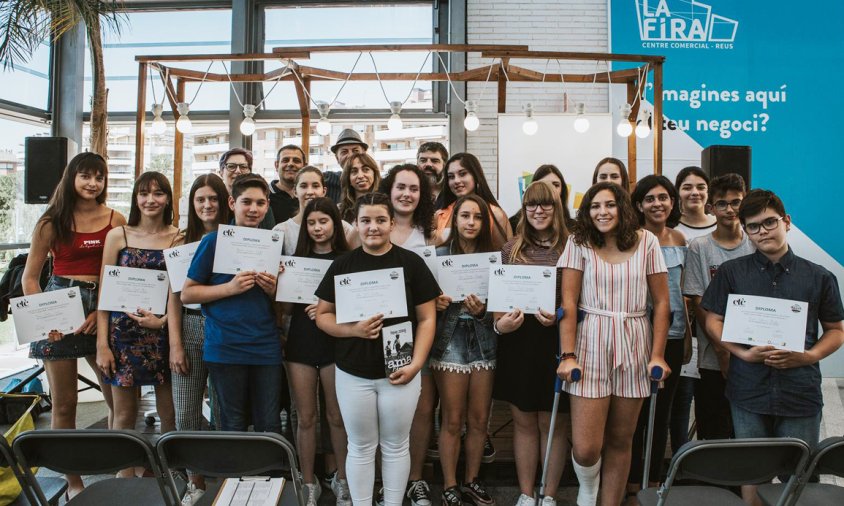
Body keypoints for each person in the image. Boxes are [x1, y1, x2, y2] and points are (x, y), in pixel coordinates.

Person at [702, 189, 844, 506]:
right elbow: (713, 320)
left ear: (786, 222)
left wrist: (809, 356)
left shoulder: (820, 277)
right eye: (753, 226)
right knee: (751, 471)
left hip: (799, 391)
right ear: (746, 231)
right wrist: (741, 352)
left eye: (769, 222)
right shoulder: (731, 273)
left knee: (799, 473)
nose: (762, 231)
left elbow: (836, 330)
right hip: (747, 389)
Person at [315, 192, 439, 506]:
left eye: (381, 220)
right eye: (366, 220)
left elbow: (426, 319)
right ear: (356, 224)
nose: (373, 227)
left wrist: (416, 364)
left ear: (392, 223)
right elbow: (322, 315)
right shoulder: (343, 264)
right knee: (360, 446)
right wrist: (352, 329)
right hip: (352, 372)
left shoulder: (411, 263)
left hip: (401, 371)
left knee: (396, 445)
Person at [556, 182, 670, 506]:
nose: (602, 212)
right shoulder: (578, 242)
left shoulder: (646, 241)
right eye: (594, 206)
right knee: (586, 447)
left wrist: (658, 354)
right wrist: (567, 355)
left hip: (635, 340)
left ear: (622, 207)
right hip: (590, 339)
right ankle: (588, 488)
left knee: (621, 439)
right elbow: (568, 301)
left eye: (609, 205)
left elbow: (662, 303)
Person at [21, 152, 125, 498]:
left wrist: (103, 311)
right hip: (61, 305)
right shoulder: (51, 221)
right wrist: (46, 319)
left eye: (99, 177)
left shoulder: (116, 218)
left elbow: (121, 275)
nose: (92, 183)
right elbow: (30, 279)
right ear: (71, 178)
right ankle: (73, 480)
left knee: (117, 401)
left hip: (104, 308)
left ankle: (117, 470)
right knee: (65, 404)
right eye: (85, 176)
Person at [181, 174, 283, 433]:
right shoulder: (213, 242)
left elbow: (284, 306)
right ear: (231, 203)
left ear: (267, 207)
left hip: (266, 346)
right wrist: (230, 288)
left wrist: (274, 291)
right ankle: (233, 474)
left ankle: (267, 474)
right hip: (226, 346)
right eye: (246, 202)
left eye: (260, 203)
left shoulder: (274, 245)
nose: (253, 209)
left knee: (269, 423)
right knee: (232, 423)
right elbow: (188, 294)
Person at [96, 171, 180, 478]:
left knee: (169, 414)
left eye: (158, 194)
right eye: (144, 194)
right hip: (123, 337)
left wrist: (165, 323)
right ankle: (124, 480)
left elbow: (181, 294)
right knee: (125, 415)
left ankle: (169, 476)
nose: (150, 200)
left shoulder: (179, 237)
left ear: (168, 199)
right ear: (136, 198)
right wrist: (102, 344)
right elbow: (105, 292)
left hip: (163, 336)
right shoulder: (119, 235)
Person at [494, 183, 570, 506]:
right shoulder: (509, 250)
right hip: (519, 341)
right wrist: (500, 325)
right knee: (524, 421)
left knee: (553, 422)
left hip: (557, 339)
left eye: (545, 205)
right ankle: (526, 494)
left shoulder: (573, 247)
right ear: (523, 210)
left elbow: (582, 298)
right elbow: (498, 305)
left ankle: (549, 495)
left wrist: (560, 316)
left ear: (557, 208)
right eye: (531, 206)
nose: (538, 211)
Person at [282, 197, 352, 506]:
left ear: (335, 224)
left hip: (335, 342)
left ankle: (343, 478)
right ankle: (308, 481)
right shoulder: (295, 259)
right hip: (301, 340)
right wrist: (280, 282)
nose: (317, 228)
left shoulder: (348, 259)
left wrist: (328, 307)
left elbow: (358, 306)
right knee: (306, 416)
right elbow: (283, 308)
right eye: (311, 223)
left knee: (337, 416)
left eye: (323, 221)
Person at [166, 174, 230, 505]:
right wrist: (175, 343)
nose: (207, 205)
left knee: (223, 413)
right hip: (190, 329)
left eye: (213, 199)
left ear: (224, 202)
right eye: (200, 199)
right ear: (192, 205)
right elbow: (174, 299)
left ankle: (224, 480)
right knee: (186, 413)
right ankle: (196, 480)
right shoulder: (180, 244)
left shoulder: (236, 240)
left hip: (226, 330)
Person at [432, 194, 498, 506]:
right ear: (455, 220)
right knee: (453, 419)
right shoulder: (439, 255)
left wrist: (485, 309)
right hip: (450, 339)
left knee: (480, 419)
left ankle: (471, 481)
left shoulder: (494, 258)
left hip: (484, 339)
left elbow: (502, 309)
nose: (471, 222)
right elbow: (423, 306)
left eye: (478, 217)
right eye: (465, 216)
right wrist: (437, 302)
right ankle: (449, 485)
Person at [626, 175, 689, 499]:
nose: (657, 204)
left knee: (661, 414)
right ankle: (632, 481)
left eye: (663, 197)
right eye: (649, 198)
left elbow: (680, 294)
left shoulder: (679, 239)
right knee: (634, 415)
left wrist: (686, 336)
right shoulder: (632, 239)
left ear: (672, 202)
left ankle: (652, 484)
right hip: (638, 336)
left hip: (674, 337)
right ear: (638, 205)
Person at [379, 163, 437, 506]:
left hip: (417, 331)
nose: (406, 194)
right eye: (401, 187)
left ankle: (413, 479)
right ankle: (384, 482)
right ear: (390, 190)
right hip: (371, 333)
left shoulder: (431, 234)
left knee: (420, 409)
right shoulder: (372, 228)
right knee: (379, 410)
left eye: (414, 189)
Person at [683, 173, 753, 441]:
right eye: (722, 204)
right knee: (714, 430)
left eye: (736, 202)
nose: (730, 209)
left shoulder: (755, 243)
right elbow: (699, 304)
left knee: (746, 430)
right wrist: (724, 350)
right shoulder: (700, 248)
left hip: (752, 357)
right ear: (711, 207)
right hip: (713, 359)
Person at [670, 165, 715, 452]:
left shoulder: (720, 223)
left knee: (712, 398)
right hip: (686, 325)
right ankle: (680, 461)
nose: (694, 192)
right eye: (687, 186)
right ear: (678, 193)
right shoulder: (672, 231)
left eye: (700, 186)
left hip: (716, 323)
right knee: (682, 399)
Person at [273, 166, 356, 256]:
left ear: (324, 191)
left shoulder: (344, 228)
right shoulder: (281, 231)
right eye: (303, 186)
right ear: (295, 192)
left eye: (315, 186)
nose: (310, 192)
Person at [434, 153, 512, 249]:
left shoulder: (495, 213)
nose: (456, 181)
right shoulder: (440, 214)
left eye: (462, 174)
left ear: (475, 175)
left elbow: (506, 254)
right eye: (451, 177)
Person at [218, 148, 274, 229]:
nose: (237, 171)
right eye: (231, 166)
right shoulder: (214, 204)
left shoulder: (264, 209)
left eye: (243, 166)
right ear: (221, 172)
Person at [508, 164, 574, 232]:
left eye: (555, 185)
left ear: (562, 190)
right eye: (543, 184)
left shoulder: (573, 227)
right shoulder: (514, 224)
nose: (550, 189)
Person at [325, 129, 370, 204]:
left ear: (364, 154)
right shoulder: (327, 180)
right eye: (344, 152)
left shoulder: (379, 184)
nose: (350, 155)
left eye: (355, 151)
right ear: (337, 158)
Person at [269, 145, 307, 224]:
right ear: (276, 165)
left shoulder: (309, 196)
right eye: (285, 160)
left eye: (296, 161)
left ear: (305, 167)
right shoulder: (265, 195)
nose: (290, 164)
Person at [339, 153, 382, 222]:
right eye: (354, 171)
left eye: (366, 169)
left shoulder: (388, 206)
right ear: (348, 179)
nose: (360, 176)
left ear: (374, 173)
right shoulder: (339, 211)